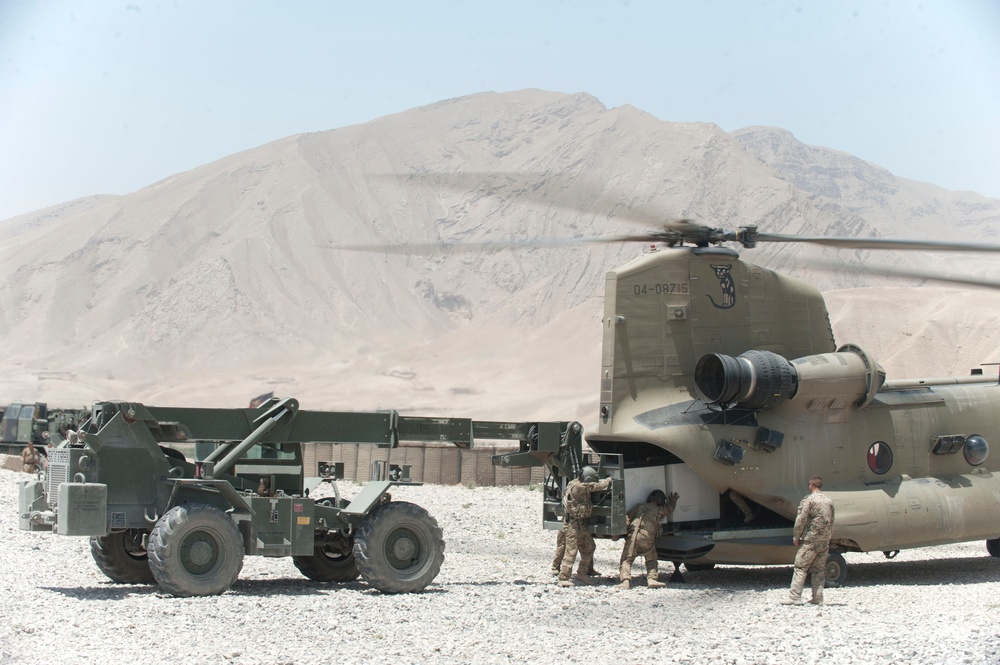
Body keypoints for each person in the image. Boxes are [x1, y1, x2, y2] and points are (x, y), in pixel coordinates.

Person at [781, 475, 835, 606]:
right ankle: (817, 598)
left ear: (811, 486)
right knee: (819, 570)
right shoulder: (829, 501)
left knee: (800, 567)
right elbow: (832, 520)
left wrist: (796, 536)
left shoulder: (809, 500)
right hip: (824, 541)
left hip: (811, 540)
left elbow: (801, 519)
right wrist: (828, 537)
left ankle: (794, 597)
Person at [557, 466, 612, 587]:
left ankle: (582, 573)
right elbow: (599, 486)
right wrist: (609, 480)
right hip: (572, 524)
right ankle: (563, 578)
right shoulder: (579, 487)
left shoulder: (574, 482)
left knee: (589, 547)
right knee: (571, 550)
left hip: (580, 523)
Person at [617, 489, 679, 589]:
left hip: (634, 537)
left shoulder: (639, 507)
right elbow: (669, 509)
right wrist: (673, 501)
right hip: (648, 539)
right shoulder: (659, 510)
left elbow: (627, 518)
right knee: (651, 560)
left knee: (627, 560)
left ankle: (625, 581)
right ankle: (652, 579)